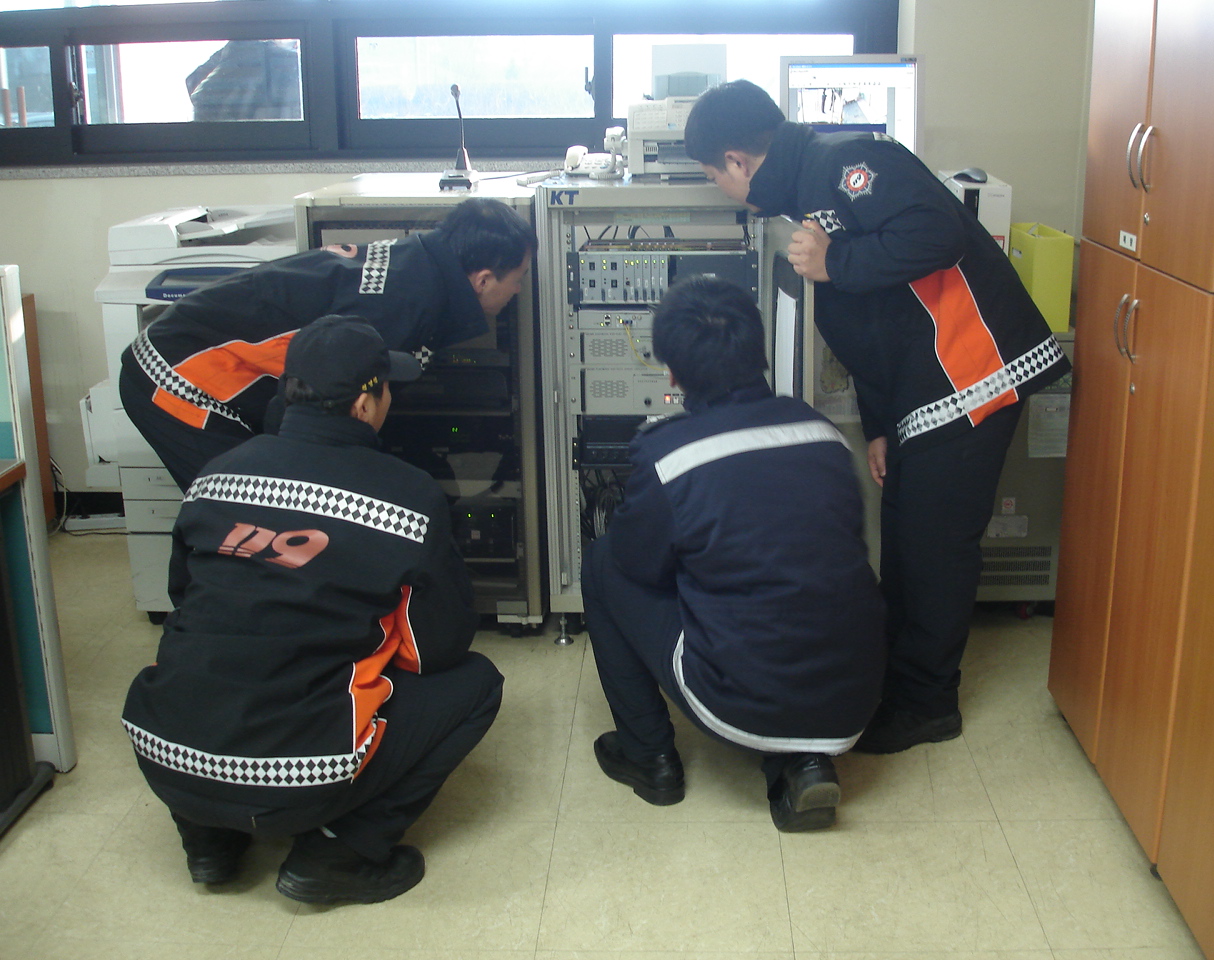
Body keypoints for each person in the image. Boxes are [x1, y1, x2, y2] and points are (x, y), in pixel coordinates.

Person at [684, 80, 1071, 754]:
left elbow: (938, 231)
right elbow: (869, 323)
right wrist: (882, 426)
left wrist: (837, 261)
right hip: (924, 391)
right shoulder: (807, 193)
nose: (718, 187)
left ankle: (929, 703)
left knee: (935, 549)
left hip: (973, 371)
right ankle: (902, 677)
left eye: (713, 174)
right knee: (905, 538)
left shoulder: (847, 162)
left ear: (738, 161)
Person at [121, 316, 503, 904]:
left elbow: (183, 596)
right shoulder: (406, 496)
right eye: (387, 387)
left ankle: (208, 840)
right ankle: (337, 854)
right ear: (365, 402)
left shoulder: (215, 475)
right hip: (298, 773)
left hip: (165, 754)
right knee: (475, 685)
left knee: (203, 665)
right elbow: (438, 648)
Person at [581, 276, 886, 832]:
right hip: (856, 697)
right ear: (758, 351)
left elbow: (639, 565)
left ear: (673, 375)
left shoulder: (668, 455)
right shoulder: (822, 433)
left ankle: (649, 759)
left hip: (739, 703)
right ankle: (803, 764)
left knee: (604, 562)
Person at [119, 196, 536, 490]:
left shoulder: (419, 269)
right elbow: (298, 415)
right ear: (483, 280)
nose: (518, 291)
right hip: (179, 373)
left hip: (197, 355)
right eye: (518, 280)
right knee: (243, 509)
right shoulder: (399, 310)